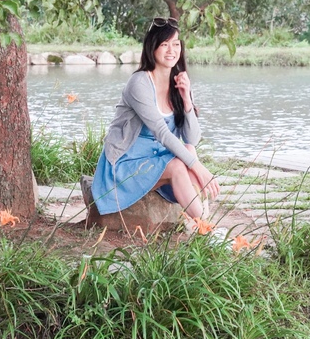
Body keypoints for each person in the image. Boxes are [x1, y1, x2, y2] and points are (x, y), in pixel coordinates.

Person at [90, 17, 220, 223]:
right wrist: (199, 168)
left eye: (176, 44)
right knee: (180, 165)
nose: (171, 50)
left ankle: (201, 221)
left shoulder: (178, 81)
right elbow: (162, 133)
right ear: (153, 47)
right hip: (124, 167)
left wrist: (187, 98)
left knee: (189, 150)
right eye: (164, 44)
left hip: (156, 161)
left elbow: (192, 138)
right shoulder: (139, 82)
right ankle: (205, 226)